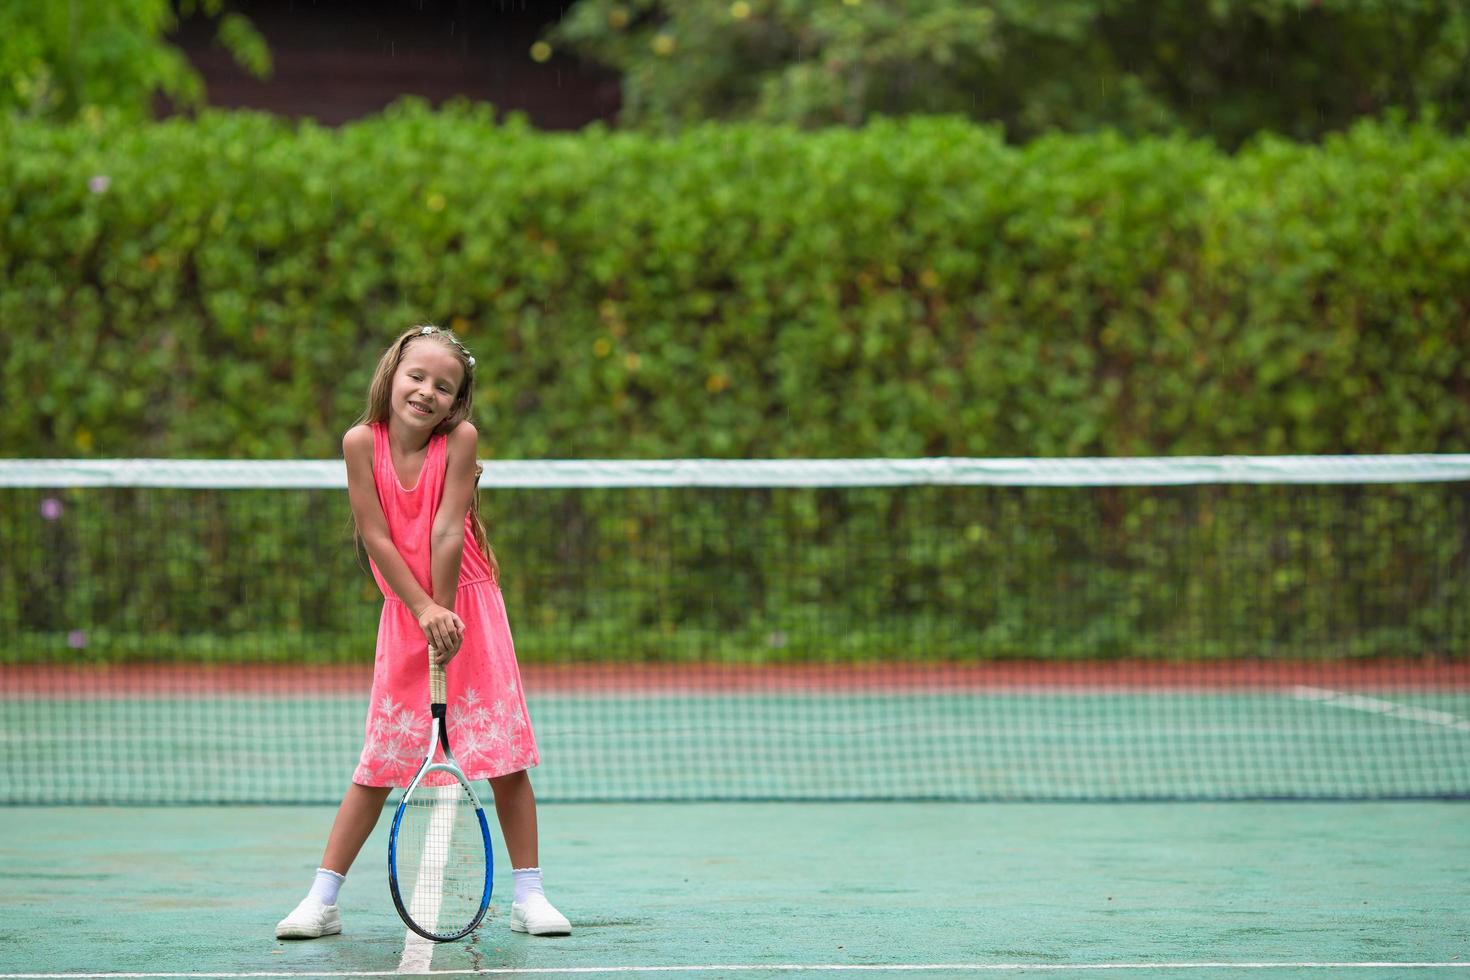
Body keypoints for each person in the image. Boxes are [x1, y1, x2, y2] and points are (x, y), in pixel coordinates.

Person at [275, 324, 571, 940]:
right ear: (391, 374)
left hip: (468, 609)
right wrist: (422, 612)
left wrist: (443, 612)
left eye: (444, 386)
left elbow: (446, 529)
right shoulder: (360, 442)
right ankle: (321, 900)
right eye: (417, 376)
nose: (426, 392)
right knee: (378, 764)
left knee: (505, 758)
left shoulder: (459, 439)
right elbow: (375, 537)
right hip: (409, 614)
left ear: (456, 402)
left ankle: (531, 896)